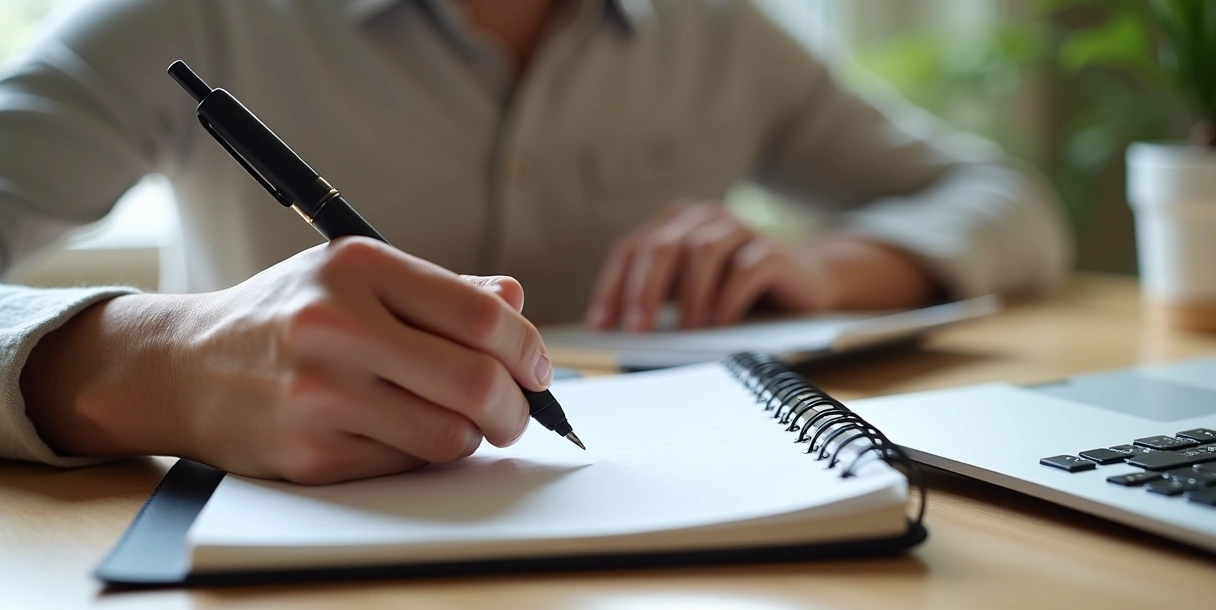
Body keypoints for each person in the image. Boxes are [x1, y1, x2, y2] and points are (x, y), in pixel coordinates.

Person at [0, 0, 1069, 483]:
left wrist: (817, 267)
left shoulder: (719, 32)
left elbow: (1005, 200)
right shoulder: (179, 18)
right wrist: (151, 365)